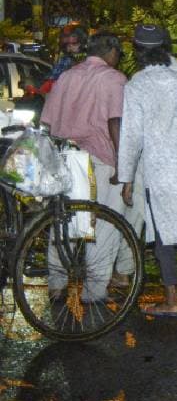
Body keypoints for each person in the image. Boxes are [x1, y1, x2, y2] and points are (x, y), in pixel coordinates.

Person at [119, 24, 177, 317]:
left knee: (163, 235)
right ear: (165, 46)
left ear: (138, 51)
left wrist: (126, 177)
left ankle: (171, 301)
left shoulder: (135, 86)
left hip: (158, 170)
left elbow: (131, 136)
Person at [38, 30, 131, 301]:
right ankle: (93, 291)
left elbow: (48, 122)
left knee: (63, 221)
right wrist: (121, 166)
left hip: (66, 158)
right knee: (104, 225)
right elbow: (116, 122)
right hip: (100, 160)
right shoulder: (115, 79)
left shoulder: (67, 77)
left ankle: (56, 284)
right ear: (111, 51)